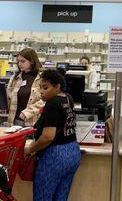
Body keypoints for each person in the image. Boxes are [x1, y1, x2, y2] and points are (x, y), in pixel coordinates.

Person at [25, 69, 81, 201]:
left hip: (54, 156)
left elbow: (48, 137)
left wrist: (30, 149)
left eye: (46, 87)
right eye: (40, 88)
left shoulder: (52, 104)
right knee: (61, 197)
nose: (42, 92)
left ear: (57, 86)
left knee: (42, 197)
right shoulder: (68, 97)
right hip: (72, 152)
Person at [7, 48, 44, 127]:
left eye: (23, 61)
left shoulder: (42, 78)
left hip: (32, 122)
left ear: (32, 61)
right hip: (14, 122)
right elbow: (8, 96)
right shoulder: (15, 77)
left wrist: (28, 112)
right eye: (18, 61)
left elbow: (45, 100)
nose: (19, 64)